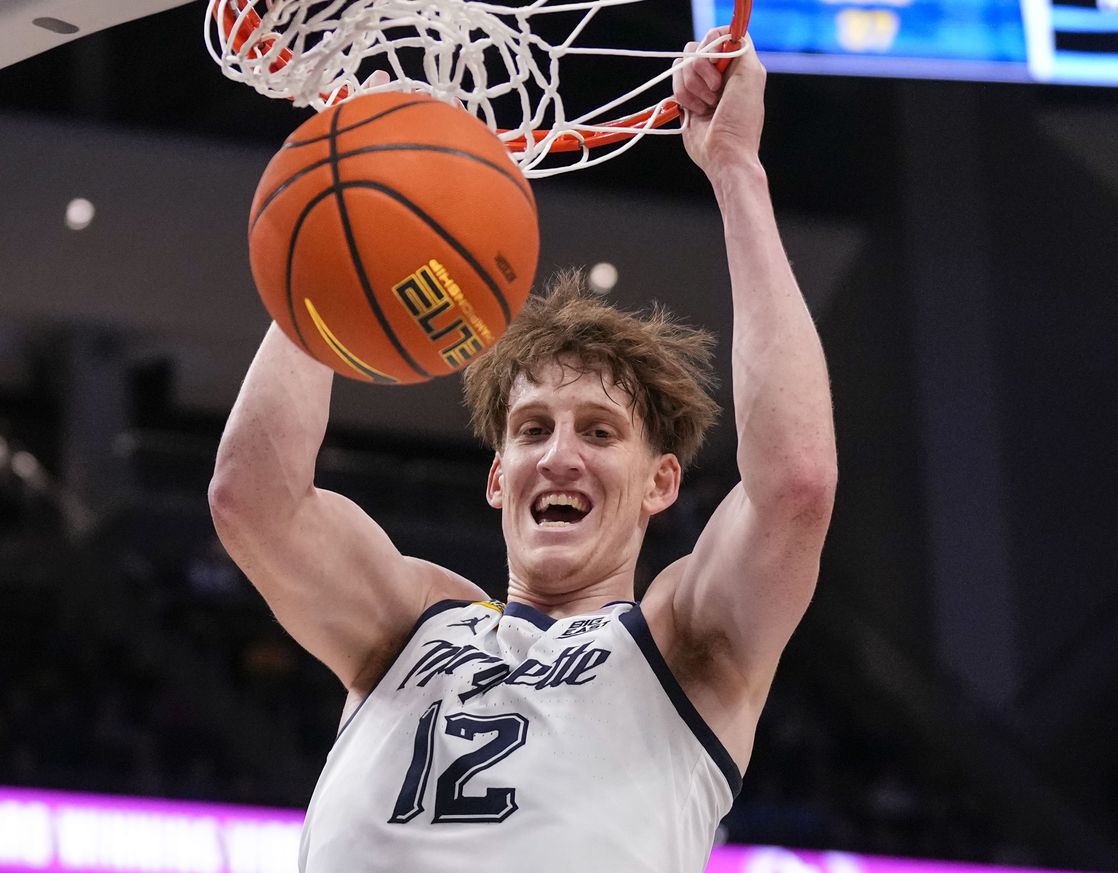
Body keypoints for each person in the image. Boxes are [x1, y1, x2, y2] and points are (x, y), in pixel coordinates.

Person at [208, 28, 835, 873]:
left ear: (662, 483)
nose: (560, 454)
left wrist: (735, 171)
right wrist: (334, 242)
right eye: (534, 428)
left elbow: (795, 483)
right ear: (498, 476)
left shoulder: (681, 643)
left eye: (600, 430)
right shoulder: (410, 625)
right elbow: (253, 498)